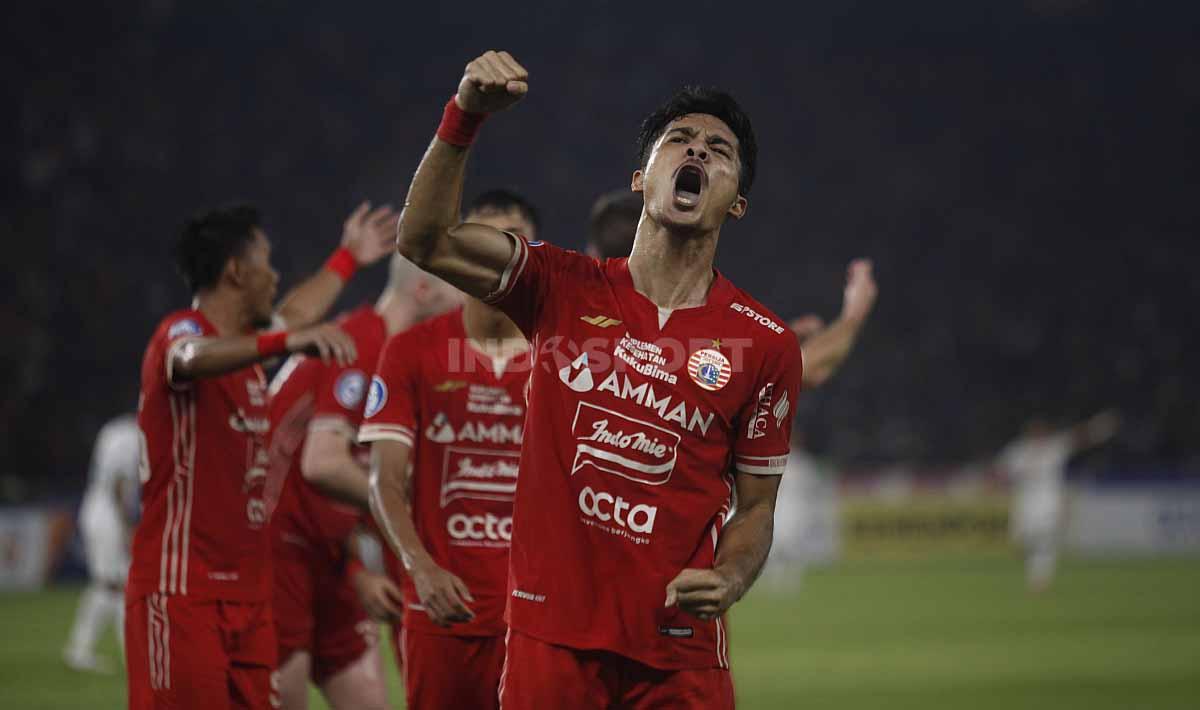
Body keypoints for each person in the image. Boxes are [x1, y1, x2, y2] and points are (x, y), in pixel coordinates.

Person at [393, 51, 802, 708]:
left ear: (738, 201)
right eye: (679, 141)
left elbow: (755, 505)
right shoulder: (557, 285)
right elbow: (425, 240)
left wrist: (729, 577)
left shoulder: (765, 343)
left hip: (680, 652)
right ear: (642, 178)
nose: (697, 150)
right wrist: (464, 115)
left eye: (718, 150)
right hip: (550, 637)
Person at [126, 202, 395, 710]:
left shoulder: (251, 348)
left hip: (250, 598)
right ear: (235, 270)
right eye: (266, 262)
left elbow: (296, 314)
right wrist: (283, 341)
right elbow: (191, 358)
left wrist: (348, 258)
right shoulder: (181, 333)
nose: (274, 276)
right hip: (182, 592)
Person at [265, 249, 461, 710]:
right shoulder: (364, 341)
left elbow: (338, 485)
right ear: (424, 290)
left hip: (331, 556)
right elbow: (323, 464)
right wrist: (411, 499)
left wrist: (354, 569)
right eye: (460, 287)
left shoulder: (399, 359)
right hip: (277, 551)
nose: (468, 301)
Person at [363, 189, 537, 710]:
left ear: (534, 253)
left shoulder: (565, 355)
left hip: (540, 619)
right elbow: (383, 480)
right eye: (483, 243)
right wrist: (420, 567)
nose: (497, 255)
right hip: (443, 611)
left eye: (513, 242)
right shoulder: (411, 352)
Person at [587, 189, 878, 388]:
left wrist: (768, 345)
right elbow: (805, 368)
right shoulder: (674, 341)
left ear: (593, 253)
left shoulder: (570, 321)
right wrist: (855, 311)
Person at [998, 409, 1120, 592]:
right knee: (1023, 540)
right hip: (1025, 503)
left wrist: (1098, 428)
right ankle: (1031, 562)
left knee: (1046, 541)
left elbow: (1079, 438)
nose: (1038, 436)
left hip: (1049, 502)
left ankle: (1039, 581)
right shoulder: (1018, 451)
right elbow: (1001, 471)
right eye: (1034, 432)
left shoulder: (1053, 447)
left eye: (1041, 432)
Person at [63, 413, 140, 674]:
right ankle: (85, 649)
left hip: (95, 507)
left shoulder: (113, 428)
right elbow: (119, 482)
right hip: (108, 515)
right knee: (113, 583)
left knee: (112, 583)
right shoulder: (131, 435)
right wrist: (126, 525)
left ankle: (83, 648)